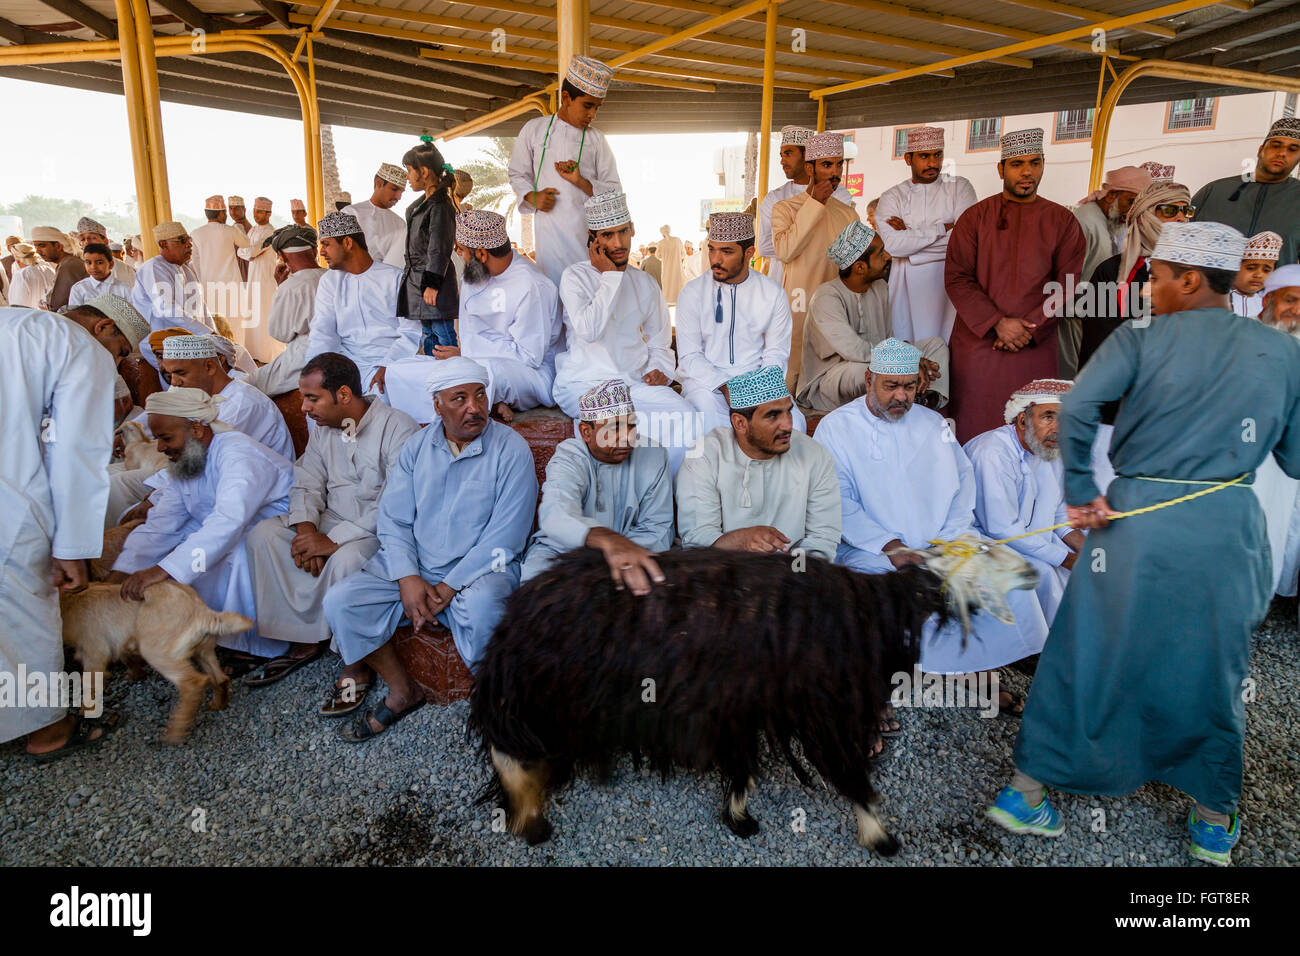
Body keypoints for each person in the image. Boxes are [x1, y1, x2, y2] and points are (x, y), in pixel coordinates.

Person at [986, 222, 1300, 866]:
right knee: (1212, 664)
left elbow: (1075, 410)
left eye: (1156, 277)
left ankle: (1025, 792)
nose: (1147, 288)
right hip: (1224, 527)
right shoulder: (1281, 351)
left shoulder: (1140, 338)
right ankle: (1213, 818)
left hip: (1129, 521)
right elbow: (1294, 461)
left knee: (1088, 649)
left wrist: (1080, 489)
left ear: (1190, 278)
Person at [321, 358, 537, 741]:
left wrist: (449, 586)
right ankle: (404, 690)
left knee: (487, 607)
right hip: (416, 567)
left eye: (480, 395)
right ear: (437, 406)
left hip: (480, 571)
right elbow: (395, 520)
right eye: (460, 398)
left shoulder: (511, 449)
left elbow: (506, 537)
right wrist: (407, 578)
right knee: (342, 602)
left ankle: (499, 701)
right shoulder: (417, 447)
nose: (474, 407)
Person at [812, 337, 1048, 684]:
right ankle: (885, 684)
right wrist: (891, 546)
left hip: (943, 542)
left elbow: (962, 484)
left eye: (909, 387)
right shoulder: (836, 427)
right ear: (868, 381)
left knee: (1012, 579)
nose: (901, 396)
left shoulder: (933, 422)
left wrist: (949, 538)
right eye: (890, 385)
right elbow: (838, 498)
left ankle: (972, 669)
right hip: (872, 548)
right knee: (882, 594)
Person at [242, 353, 420, 694]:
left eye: (312, 398)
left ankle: (355, 661)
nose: (305, 409)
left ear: (342, 395)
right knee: (263, 535)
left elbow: (398, 503)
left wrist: (333, 540)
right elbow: (307, 480)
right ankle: (303, 639)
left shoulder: (398, 427)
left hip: (374, 530)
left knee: (349, 560)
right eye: (304, 399)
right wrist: (307, 529)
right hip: (328, 522)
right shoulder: (323, 429)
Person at [0, 305, 118, 757]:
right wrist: (72, 545)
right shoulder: (76, 346)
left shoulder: (19, 327)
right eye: (121, 350)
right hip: (11, 500)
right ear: (103, 328)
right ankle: (46, 733)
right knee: (20, 610)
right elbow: (75, 450)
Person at [107, 388, 295, 661]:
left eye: (165, 438)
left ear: (196, 429)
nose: (159, 448)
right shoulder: (187, 459)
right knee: (182, 546)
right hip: (226, 529)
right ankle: (214, 638)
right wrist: (120, 575)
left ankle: (254, 644)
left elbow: (228, 522)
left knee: (230, 551)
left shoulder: (238, 454)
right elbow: (162, 525)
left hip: (274, 532)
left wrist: (162, 570)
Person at [944, 127, 1086, 442]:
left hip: (1034, 345)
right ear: (1001, 169)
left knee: (1033, 430)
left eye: (1035, 163)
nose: (1027, 172)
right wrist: (997, 323)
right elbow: (957, 277)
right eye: (1017, 164)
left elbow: (1066, 284)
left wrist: (1029, 327)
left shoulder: (1062, 221)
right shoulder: (975, 218)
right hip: (979, 344)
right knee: (973, 427)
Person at [554, 190, 696, 473]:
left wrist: (660, 369)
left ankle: (671, 496)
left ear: (633, 230)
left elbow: (659, 342)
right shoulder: (575, 277)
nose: (618, 243)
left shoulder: (645, 283)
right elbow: (589, 330)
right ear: (593, 239)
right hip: (586, 384)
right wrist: (611, 277)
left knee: (685, 415)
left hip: (633, 386)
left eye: (623, 232)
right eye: (607, 235)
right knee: (614, 428)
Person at [387, 210, 562, 425]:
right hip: (472, 359)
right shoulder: (475, 274)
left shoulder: (532, 285)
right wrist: (464, 357)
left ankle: (489, 396)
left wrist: (467, 354)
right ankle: (491, 399)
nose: (459, 255)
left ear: (481, 253)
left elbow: (529, 356)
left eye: (460, 250)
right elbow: (470, 334)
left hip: (528, 373)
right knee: (402, 369)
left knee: (485, 373)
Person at [677, 365, 841, 561]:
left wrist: (794, 577)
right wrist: (741, 541)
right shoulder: (704, 457)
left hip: (793, 576)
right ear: (739, 423)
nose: (788, 425)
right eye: (773, 415)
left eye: (788, 412)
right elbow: (698, 539)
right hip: (726, 575)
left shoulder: (814, 455)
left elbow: (822, 539)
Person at [521, 379, 673, 587]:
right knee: (538, 589)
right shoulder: (570, 456)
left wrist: (618, 554)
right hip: (563, 552)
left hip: (630, 553)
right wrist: (608, 542)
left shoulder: (653, 454)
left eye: (630, 426)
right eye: (613, 429)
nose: (626, 438)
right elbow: (556, 513)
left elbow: (658, 528)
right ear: (586, 432)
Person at [965, 379, 1084, 624]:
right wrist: (1068, 559)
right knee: (1045, 575)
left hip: (1033, 540)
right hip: (988, 544)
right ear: (1022, 420)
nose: (1058, 428)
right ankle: (1038, 653)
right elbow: (1002, 528)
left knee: (1098, 564)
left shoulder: (1051, 449)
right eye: (1048, 417)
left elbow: (1060, 516)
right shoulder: (992, 453)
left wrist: (1087, 550)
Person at [798, 221, 948, 413]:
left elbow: (887, 339)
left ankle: (926, 402)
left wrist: (912, 357)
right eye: (881, 253)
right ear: (860, 267)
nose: (888, 257)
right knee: (861, 371)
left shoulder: (880, 289)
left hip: (882, 364)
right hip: (832, 379)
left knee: (935, 345)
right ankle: (908, 392)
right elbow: (854, 350)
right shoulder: (826, 297)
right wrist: (909, 359)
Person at [675, 212, 800, 433]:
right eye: (711, 249)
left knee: (794, 425)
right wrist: (726, 386)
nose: (716, 259)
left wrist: (757, 391)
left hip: (759, 384)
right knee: (710, 428)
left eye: (727, 251)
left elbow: (776, 354)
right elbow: (689, 356)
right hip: (708, 387)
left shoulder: (772, 293)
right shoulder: (693, 293)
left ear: (749, 253)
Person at [508, 55, 620, 288]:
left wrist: (581, 182)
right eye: (587, 106)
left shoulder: (597, 140)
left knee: (583, 304)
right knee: (553, 301)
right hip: (548, 244)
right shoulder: (534, 130)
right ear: (566, 98)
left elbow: (614, 192)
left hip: (586, 245)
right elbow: (517, 173)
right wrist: (532, 197)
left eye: (597, 108)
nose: (592, 115)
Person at [771, 131, 859, 390]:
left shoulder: (848, 214)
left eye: (839, 164)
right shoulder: (786, 209)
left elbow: (855, 267)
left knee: (832, 380)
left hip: (837, 309)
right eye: (827, 165)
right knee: (792, 379)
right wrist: (815, 203)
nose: (835, 172)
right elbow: (786, 251)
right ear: (810, 168)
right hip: (798, 305)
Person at [876, 126, 977, 344]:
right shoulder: (893, 196)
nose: (932, 163)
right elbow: (893, 245)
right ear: (908, 159)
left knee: (948, 351)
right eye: (924, 156)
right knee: (908, 353)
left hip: (950, 284)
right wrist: (943, 229)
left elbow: (965, 241)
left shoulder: (960, 187)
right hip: (904, 289)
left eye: (937, 155)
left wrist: (911, 243)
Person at [1077, 180, 1192, 371]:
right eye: (1170, 211)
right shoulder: (1112, 271)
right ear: (1146, 215)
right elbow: (1100, 346)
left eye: (1186, 210)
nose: (1181, 218)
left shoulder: (1195, 272)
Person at [307, 211, 419, 396]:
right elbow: (322, 331)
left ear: (348, 243)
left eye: (326, 244)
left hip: (390, 360)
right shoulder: (330, 282)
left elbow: (412, 331)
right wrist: (316, 369)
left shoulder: (394, 278)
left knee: (385, 396)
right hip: (347, 363)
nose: (321, 252)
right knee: (321, 404)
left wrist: (388, 364)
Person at [157, 333, 295, 458]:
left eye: (181, 373)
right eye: (171, 374)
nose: (174, 382)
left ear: (209, 367)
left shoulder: (242, 404)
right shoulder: (197, 396)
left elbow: (200, 456)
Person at [1191, 118, 1300, 264]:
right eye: (1275, 146)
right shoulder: (1214, 191)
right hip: (1214, 285)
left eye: (1293, 149)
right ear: (1260, 150)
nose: (1282, 153)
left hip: (1276, 287)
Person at [757, 127, 855, 288]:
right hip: (784, 284)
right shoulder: (775, 199)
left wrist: (793, 240)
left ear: (805, 156)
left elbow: (846, 250)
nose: (782, 161)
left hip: (827, 282)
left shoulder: (840, 196)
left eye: (788, 154)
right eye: (781, 155)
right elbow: (765, 247)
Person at [247, 226, 327, 397]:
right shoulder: (333, 276)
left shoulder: (291, 286)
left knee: (250, 384)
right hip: (338, 352)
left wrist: (281, 288)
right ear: (315, 250)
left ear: (281, 257)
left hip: (304, 358)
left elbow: (280, 333)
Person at [399, 141, 460, 354]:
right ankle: (435, 379)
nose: (407, 177)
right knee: (428, 333)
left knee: (442, 333)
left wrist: (432, 283)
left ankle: (453, 378)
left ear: (423, 171)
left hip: (433, 282)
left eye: (409, 170)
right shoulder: (422, 205)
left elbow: (439, 247)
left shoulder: (440, 206)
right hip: (419, 282)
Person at [190, 196, 251, 327]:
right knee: (236, 323)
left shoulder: (196, 233)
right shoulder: (230, 230)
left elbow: (195, 261)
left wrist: (203, 279)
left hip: (209, 285)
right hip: (232, 286)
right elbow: (246, 243)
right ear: (222, 213)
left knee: (215, 322)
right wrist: (239, 227)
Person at [237, 197, 280, 362]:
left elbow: (251, 252)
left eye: (260, 211)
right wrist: (247, 252)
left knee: (264, 315)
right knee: (253, 314)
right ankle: (254, 354)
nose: (256, 214)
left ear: (269, 214)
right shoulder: (253, 230)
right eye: (255, 210)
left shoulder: (271, 232)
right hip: (253, 279)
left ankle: (268, 356)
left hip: (266, 279)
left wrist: (247, 252)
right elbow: (244, 251)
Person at [341, 163, 407, 268]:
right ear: (379, 183)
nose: (398, 197)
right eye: (394, 189)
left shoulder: (400, 223)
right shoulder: (351, 213)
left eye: (401, 192)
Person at [30, 226, 88, 312]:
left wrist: (47, 306)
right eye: (36, 247)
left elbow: (57, 304)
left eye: (42, 246)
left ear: (58, 246)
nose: (38, 251)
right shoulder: (67, 262)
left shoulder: (69, 265)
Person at [1230, 231, 1281, 318]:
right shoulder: (1219, 299)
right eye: (1251, 268)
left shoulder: (1267, 304)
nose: (1258, 275)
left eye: (1266, 270)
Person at [67, 242, 132, 308]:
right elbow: (75, 316)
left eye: (99, 262)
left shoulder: (124, 289)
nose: (93, 267)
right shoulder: (79, 289)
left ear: (111, 264)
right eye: (88, 263)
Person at [77, 216, 136, 284]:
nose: (87, 242)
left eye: (92, 238)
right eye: (83, 239)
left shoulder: (121, 269)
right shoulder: (80, 267)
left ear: (105, 241)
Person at [6, 242, 56, 310]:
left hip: (32, 317)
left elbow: (17, 305)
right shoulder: (49, 269)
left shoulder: (21, 275)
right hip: (52, 316)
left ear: (18, 261)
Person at [656, 224, 687, 305]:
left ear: (662, 233)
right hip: (678, 270)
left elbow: (657, 256)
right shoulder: (677, 240)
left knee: (667, 290)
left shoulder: (660, 243)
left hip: (666, 271)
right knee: (678, 290)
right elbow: (683, 254)